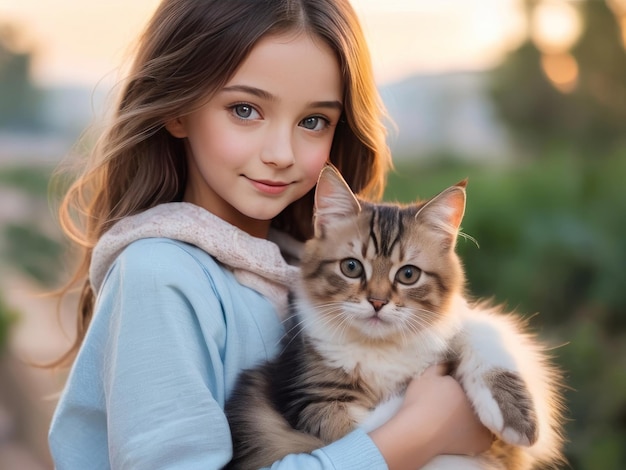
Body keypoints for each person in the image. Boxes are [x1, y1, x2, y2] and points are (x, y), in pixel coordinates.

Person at [48, 0, 493, 468]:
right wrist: (416, 435)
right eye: (245, 109)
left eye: (313, 121)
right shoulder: (158, 274)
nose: (281, 152)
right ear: (177, 110)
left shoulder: (301, 271)